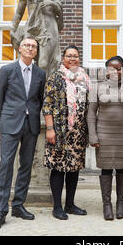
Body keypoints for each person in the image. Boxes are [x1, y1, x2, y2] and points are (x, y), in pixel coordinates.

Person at [0, 36, 46, 231]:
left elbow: (38, 99)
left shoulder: (40, 73)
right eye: (27, 45)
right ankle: (0, 210)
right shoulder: (7, 70)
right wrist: (5, 117)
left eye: (34, 46)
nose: (30, 48)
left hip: (30, 125)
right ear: (19, 49)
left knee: (26, 165)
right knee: (6, 165)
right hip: (11, 123)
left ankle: (19, 205)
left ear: (36, 51)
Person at [43, 45, 90, 220]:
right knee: (58, 167)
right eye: (69, 56)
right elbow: (47, 105)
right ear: (63, 58)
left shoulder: (84, 78)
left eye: (75, 56)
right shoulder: (56, 77)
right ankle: (57, 207)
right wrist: (49, 129)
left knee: (74, 168)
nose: (72, 59)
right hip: (59, 130)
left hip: (78, 131)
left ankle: (70, 204)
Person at [88, 56, 123, 221]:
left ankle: (120, 203)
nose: (115, 71)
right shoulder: (97, 88)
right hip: (104, 134)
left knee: (122, 169)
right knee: (106, 169)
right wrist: (93, 135)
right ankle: (106, 204)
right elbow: (91, 113)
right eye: (112, 68)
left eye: (119, 68)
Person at [11, 0, 64, 77]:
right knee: (25, 58)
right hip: (32, 27)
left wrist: (51, 3)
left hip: (48, 27)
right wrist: (13, 29)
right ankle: (25, 86)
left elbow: (60, 8)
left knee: (44, 63)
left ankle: (44, 90)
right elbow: (18, 14)